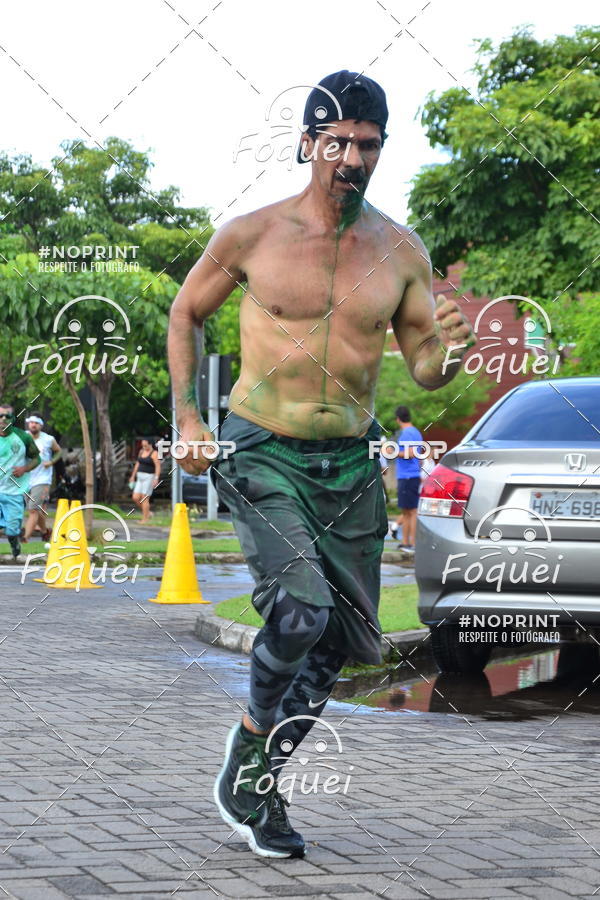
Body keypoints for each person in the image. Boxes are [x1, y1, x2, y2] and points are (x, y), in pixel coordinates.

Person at [168, 70, 475, 858]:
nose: (350, 157)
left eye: (366, 144)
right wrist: (189, 416)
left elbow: (425, 367)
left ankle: (255, 781)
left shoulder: (400, 249)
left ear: (380, 150)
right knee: (299, 612)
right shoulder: (253, 234)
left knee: (338, 644)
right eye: (335, 141)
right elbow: (186, 311)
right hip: (261, 444)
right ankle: (246, 752)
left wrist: (452, 352)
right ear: (308, 143)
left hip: (347, 462)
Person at [0, 403, 40, 558]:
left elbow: (37, 458)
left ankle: (14, 544)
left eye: (7, 416)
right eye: (0, 416)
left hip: (14, 493)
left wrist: (24, 469)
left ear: (13, 418)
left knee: (12, 531)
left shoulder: (23, 437)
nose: (3, 419)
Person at [391, 406, 425, 553]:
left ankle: (411, 543)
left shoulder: (406, 433)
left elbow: (410, 453)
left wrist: (392, 452)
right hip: (413, 475)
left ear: (398, 419)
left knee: (410, 511)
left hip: (407, 475)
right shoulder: (416, 432)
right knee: (408, 511)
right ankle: (406, 542)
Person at [23, 413, 62, 543]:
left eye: (36, 422)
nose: (33, 424)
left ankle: (25, 539)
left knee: (33, 509)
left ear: (41, 425)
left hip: (43, 479)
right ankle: (45, 532)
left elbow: (59, 451)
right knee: (36, 509)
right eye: (31, 422)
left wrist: (51, 462)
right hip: (26, 478)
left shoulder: (48, 439)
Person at [129, 438, 160, 523]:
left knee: (144, 498)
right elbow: (138, 464)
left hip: (149, 477)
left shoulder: (154, 453)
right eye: (143, 445)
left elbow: (158, 466)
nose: (144, 447)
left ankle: (145, 519)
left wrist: (156, 478)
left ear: (150, 444)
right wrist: (133, 476)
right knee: (135, 497)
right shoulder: (141, 452)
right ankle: (148, 513)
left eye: (145, 445)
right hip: (140, 478)